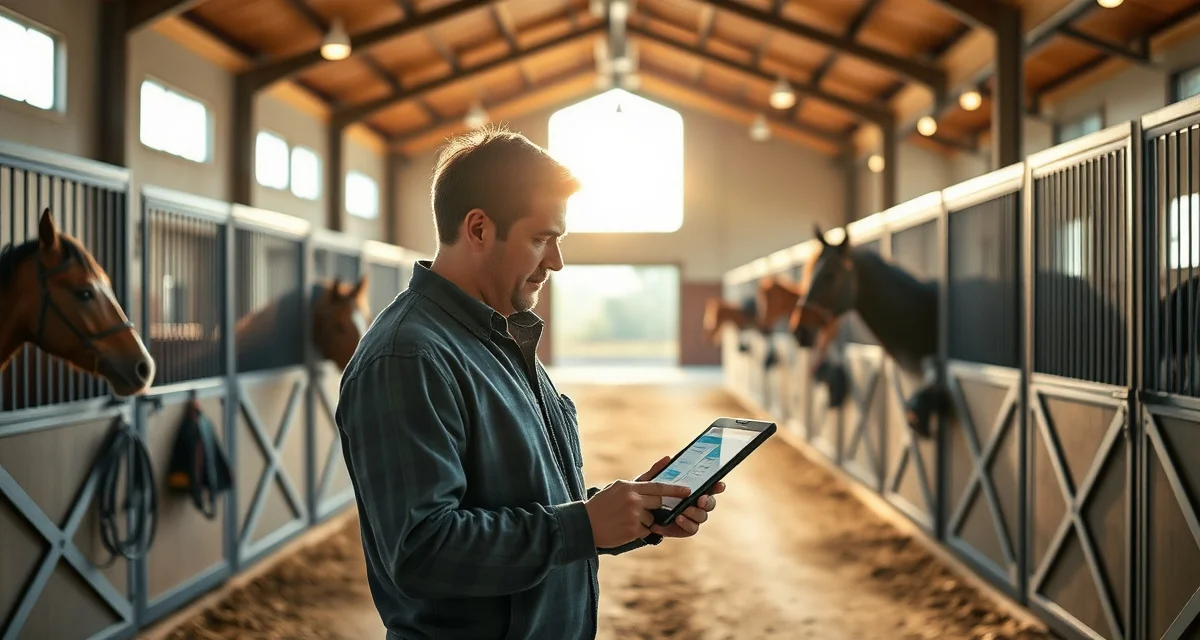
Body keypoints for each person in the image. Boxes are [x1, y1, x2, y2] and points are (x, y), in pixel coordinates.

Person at [335, 124, 725, 640]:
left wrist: (628, 513)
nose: (556, 262)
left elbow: (519, 505)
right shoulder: (410, 356)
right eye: (542, 239)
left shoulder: (498, 337)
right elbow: (422, 550)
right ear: (478, 229)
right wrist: (581, 526)